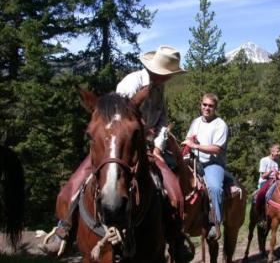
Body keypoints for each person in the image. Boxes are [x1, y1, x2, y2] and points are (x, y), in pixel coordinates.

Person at [41, 45, 193, 262]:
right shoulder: (132, 82)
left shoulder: (159, 90)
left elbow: (162, 122)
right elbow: (114, 119)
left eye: (169, 75)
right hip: (116, 144)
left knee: (173, 189)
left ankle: (175, 236)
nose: (167, 78)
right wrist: (134, 132)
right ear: (157, 69)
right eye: (166, 73)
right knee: (74, 184)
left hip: (146, 146)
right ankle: (64, 227)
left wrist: (158, 146)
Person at [182, 93, 228, 240]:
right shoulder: (196, 122)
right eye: (205, 105)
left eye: (210, 106)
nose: (207, 108)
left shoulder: (220, 124)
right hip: (194, 160)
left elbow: (216, 149)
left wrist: (195, 145)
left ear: (215, 108)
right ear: (201, 105)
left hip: (212, 163)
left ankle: (216, 222)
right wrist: (186, 147)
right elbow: (189, 138)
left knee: (214, 187)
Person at [255, 144, 280, 220]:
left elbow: (279, 171)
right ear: (272, 152)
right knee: (261, 193)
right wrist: (271, 171)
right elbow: (263, 176)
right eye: (277, 151)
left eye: (279, 151)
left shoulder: (277, 161)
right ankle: (260, 213)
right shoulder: (264, 160)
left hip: (276, 181)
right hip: (265, 181)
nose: (279, 153)